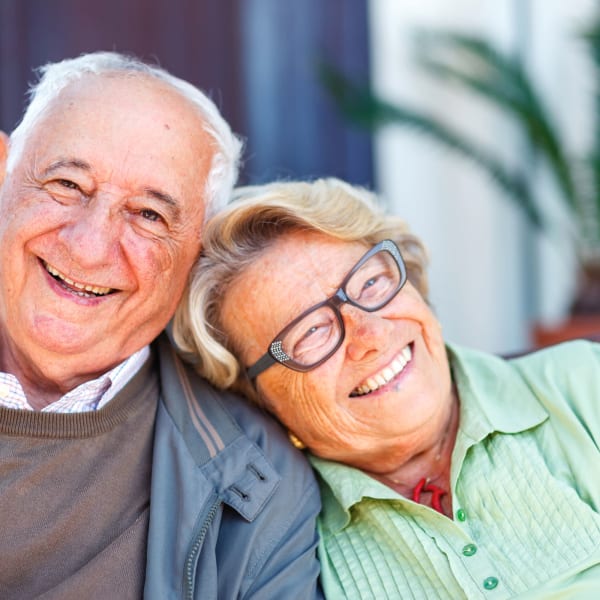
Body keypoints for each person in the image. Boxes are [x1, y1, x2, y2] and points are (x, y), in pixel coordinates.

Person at [174, 177, 600, 599]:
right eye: (311, 332)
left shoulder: (582, 386)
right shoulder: (287, 548)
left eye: (370, 283)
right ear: (259, 398)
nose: (370, 333)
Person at [0, 52, 323, 599]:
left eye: (149, 215)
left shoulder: (260, 487)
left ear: (198, 255)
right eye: (66, 184)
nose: (90, 245)